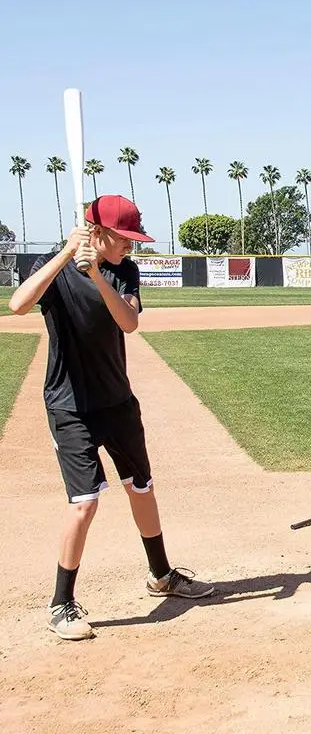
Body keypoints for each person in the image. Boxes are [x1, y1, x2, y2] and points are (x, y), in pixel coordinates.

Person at [8, 194, 214, 641]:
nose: (131, 247)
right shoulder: (56, 267)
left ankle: (161, 575)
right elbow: (18, 305)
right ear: (97, 232)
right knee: (85, 503)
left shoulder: (123, 271)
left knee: (142, 488)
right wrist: (67, 254)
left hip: (118, 402)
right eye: (124, 239)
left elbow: (129, 323)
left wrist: (97, 273)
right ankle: (61, 603)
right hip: (70, 406)